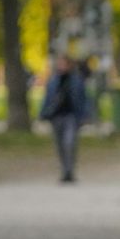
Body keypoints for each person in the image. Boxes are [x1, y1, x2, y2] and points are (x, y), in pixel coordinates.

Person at [39, 54, 89, 183]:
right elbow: (47, 98)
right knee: (60, 145)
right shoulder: (53, 80)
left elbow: (84, 99)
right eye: (60, 63)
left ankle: (69, 170)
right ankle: (64, 170)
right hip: (56, 116)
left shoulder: (77, 80)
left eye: (64, 63)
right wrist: (43, 113)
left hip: (71, 116)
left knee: (69, 143)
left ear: (69, 65)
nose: (61, 66)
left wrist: (85, 116)